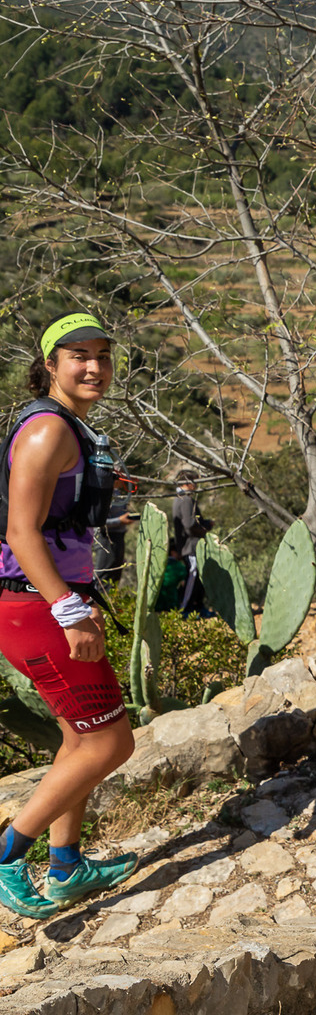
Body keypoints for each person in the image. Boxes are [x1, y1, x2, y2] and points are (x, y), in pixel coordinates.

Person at [0, 311, 139, 918]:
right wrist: (70, 609)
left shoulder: (68, 428)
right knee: (111, 743)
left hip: (45, 602)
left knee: (79, 737)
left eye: (102, 355)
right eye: (78, 356)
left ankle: (66, 865)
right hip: (37, 607)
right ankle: (8, 855)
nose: (94, 367)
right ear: (50, 365)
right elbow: (21, 532)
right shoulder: (47, 432)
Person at [170, 469, 211, 613]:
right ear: (188, 483)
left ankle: (195, 607)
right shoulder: (185, 499)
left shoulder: (179, 498)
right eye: (195, 482)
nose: (196, 485)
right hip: (191, 546)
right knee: (192, 576)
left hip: (188, 546)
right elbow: (189, 525)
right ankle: (185, 609)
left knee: (195, 577)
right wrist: (206, 526)